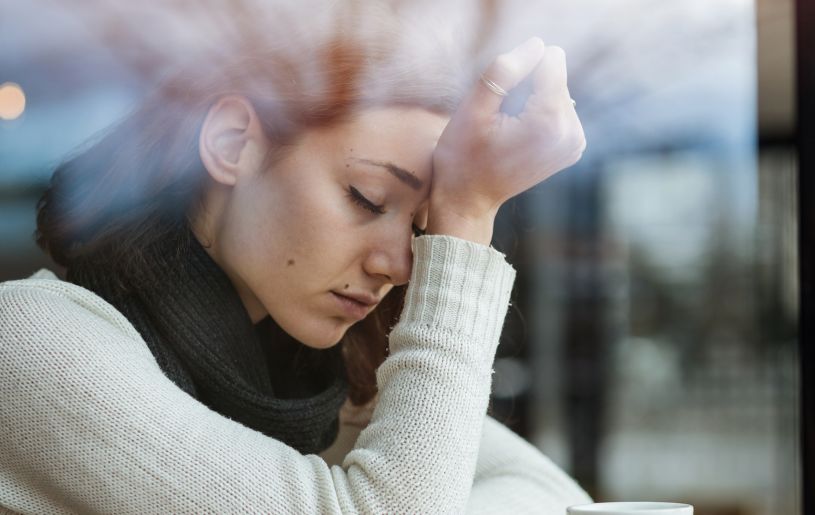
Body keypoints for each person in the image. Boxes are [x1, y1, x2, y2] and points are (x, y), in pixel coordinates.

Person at [0, 3, 588, 513]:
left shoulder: (308, 379)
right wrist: (466, 220)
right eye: (368, 197)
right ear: (233, 143)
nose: (401, 265)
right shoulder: (30, 343)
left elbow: (551, 493)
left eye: (422, 226)